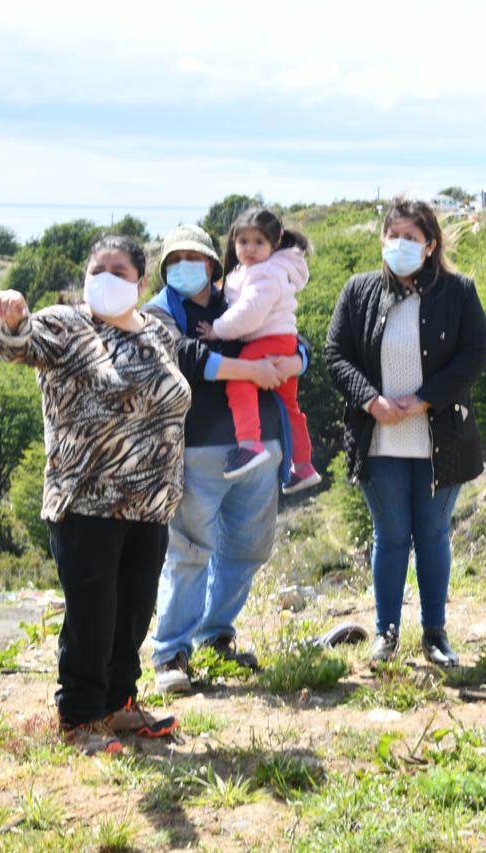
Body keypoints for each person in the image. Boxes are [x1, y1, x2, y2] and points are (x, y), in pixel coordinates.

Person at [0, 235, 190, 755]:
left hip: (152, 502)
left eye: (120, 271)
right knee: (92, 614)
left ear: (141, 283)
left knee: (134, 611)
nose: (108, 278)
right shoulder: (66, 325)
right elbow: (19, 344)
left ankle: (120, 705)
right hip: (86, 500)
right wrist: (12, 320)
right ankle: (79, 718)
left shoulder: (160, 333)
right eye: (99, 268)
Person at [325, 197, 486, 667]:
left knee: (433, 534)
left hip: (440, 438)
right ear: (382, 239)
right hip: (379, 438)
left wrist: (424, 399)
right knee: (392, 535)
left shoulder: (459, 291)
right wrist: (371, 401)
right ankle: (386, 634)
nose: (400, 244)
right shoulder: (359, 291)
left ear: (430, 245)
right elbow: (337, 354)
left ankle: (435, 635)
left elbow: (474, 355)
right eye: (393, 235)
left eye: (411, 238)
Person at [145, 224, 307, 694]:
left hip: (261, 447)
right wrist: (252, 370)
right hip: (195, 450)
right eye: (173, 261)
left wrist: (296, 362)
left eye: (192, 259)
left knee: (249, 549)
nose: (183, 268)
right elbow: (184, 357)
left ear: (213, 266)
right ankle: (172, 651)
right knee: (190, 551)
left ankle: (215, 634)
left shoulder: (242, 294)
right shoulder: (158, 313)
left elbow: (291, 337)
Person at [197, 208, 321, 492]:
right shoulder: (268, 269)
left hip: (267, 341)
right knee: (290, 406)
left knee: (239, 381)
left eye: (258, 242)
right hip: (283, 342)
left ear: (275, 243)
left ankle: (250, 444)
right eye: (243, 242)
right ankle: (303, 465)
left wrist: (217, 329)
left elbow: (249, 314)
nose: (250, 249)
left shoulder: (265, 274)